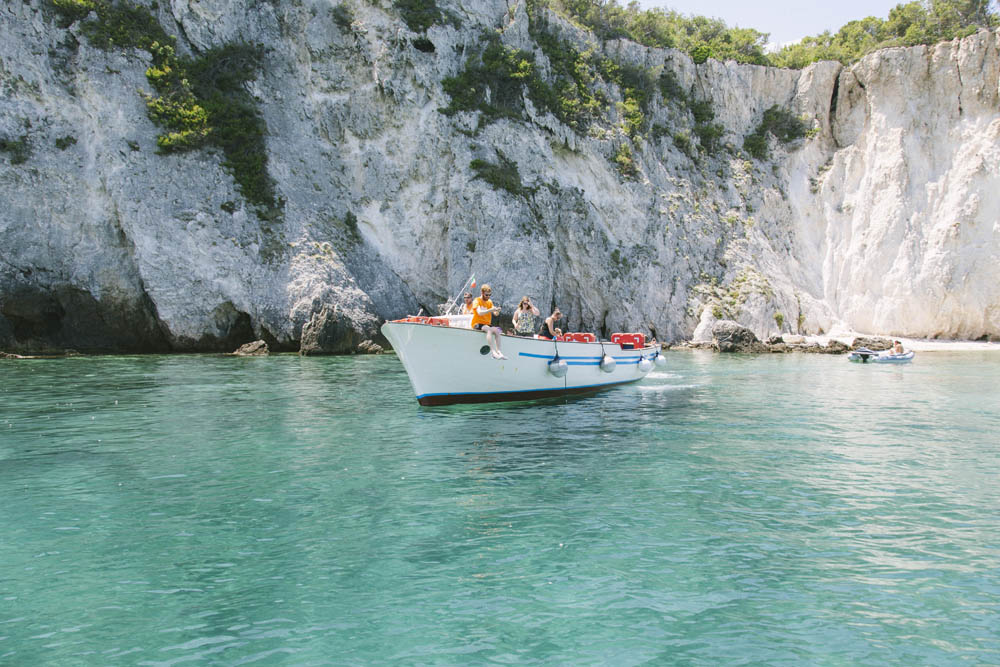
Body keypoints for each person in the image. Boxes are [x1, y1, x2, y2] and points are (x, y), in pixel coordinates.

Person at [471, 284, 505, 359]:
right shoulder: (477, 300)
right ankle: (493, 352)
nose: (488, 297)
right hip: (477, 323)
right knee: (489, 330)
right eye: (486, 295)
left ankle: (499, 352)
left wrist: (497, 311)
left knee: (497, 331)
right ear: (482, 293)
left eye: (490, 295)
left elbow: (495, 314)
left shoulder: (489, 302)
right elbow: (480, 313)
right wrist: (490, 310)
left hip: (487, 324)